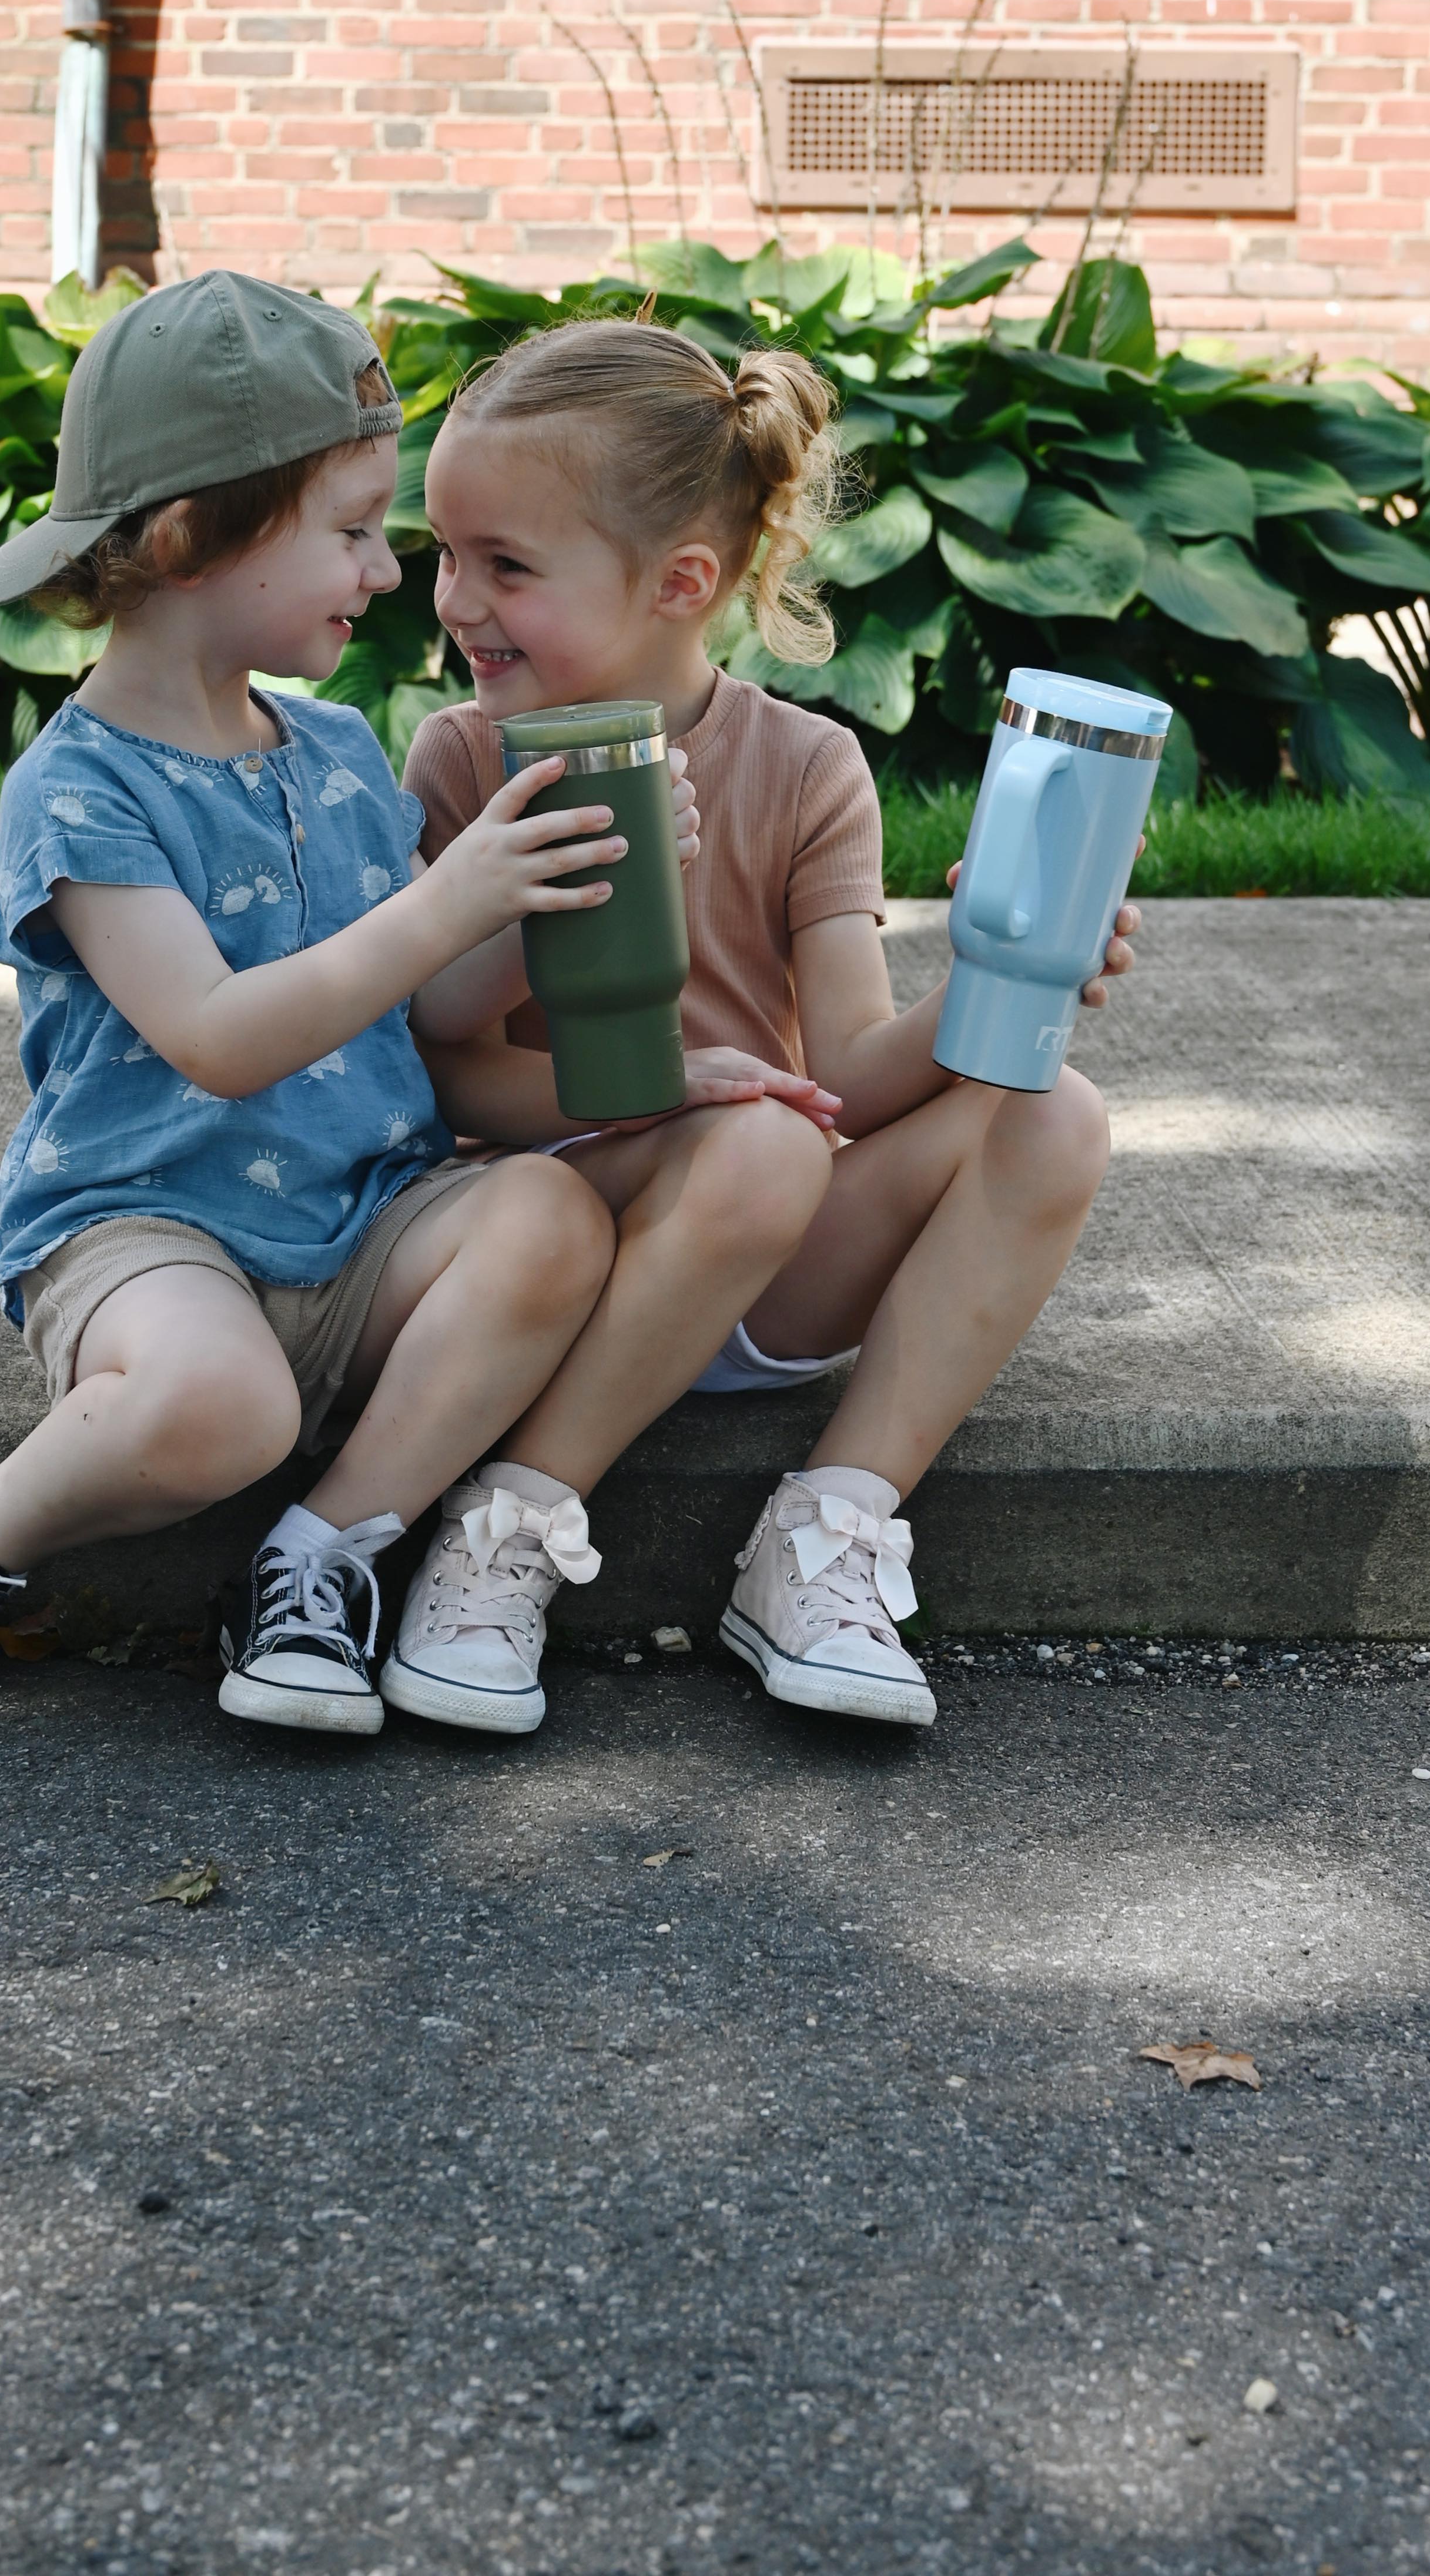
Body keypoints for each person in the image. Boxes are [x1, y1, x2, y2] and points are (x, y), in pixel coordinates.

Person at [0, 274, 827, 1742]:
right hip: (151, 1227)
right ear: (200, 535)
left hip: (366, 1219)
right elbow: (217, 1031)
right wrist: (453, 896)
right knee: (225, 1406)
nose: (389, 577)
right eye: (350, 532)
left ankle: (320, 1554)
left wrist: (542, 898)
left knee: (547, 1219)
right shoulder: (78, 792)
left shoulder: (328, 748)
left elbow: (420, 1003)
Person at [402, 316, 1141, 1735]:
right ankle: (509, 1526)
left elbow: (850, 1079)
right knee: (745, 1145)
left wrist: (1006, 984)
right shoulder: (458, 762)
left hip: (775, 1243)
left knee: (1054, 1112)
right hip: (566, 1244)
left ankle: (829, 1534)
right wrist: (667, 1092)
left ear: (680, 583)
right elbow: (445, 1081)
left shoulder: (806, 769)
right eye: (446, 554)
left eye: (505, 565)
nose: (454, 600)